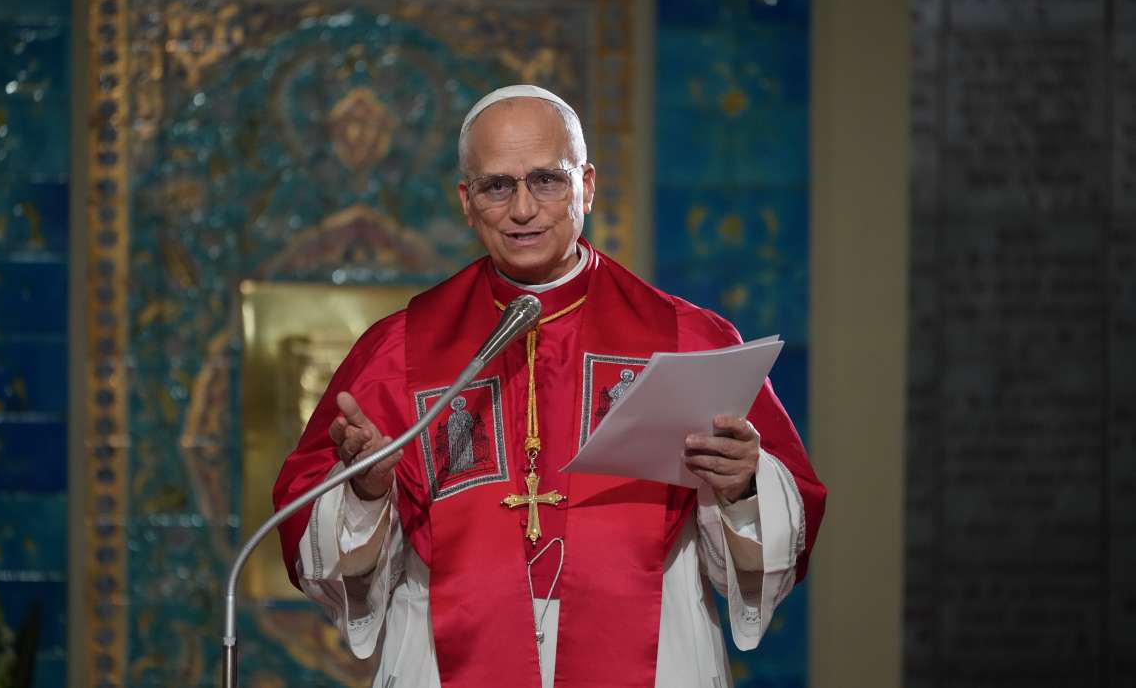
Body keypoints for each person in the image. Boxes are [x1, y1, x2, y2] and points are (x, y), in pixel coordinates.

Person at [273, 85, 827, 688]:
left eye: (546, 180)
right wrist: (365, 491)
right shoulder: (397, 352)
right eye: (497, 186)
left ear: (586, 185)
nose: (523, 209)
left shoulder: (687, 338)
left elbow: (786, 522)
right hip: (444, 654)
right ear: (466, 201)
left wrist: (744, 484)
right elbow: (313, 537)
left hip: (653, 652)